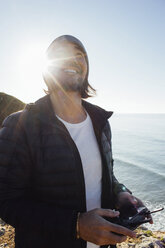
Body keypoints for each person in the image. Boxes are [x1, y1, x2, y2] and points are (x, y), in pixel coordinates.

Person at [0, 35, 152, 248]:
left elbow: (107, 175)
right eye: (60, 55)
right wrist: (76, 226)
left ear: (86, 67)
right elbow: (6, 201)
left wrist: (123, 193)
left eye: (79, 55)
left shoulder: (101, 123)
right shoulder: (20, 125)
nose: (72, 60)